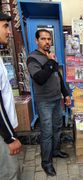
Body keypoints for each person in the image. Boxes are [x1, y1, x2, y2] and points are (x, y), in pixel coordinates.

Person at [27, 29, 71, 176]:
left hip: (57, 99)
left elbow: (57, 75)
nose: (47, 42)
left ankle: (56, 150)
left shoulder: (50, 56)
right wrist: (51, 61)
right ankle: (46, 162)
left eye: (48, 39)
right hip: (44, 102)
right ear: (36, 41)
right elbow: (39, 78)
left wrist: (65, 94)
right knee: (47, 132)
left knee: (58, 127)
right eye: (43, 39)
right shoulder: (32, 58)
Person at [0, 11, 22, 180]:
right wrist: (9, 137)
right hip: (3, 135)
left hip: (5, 131)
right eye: (5, 26)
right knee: (10, 173)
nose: (8, 31)